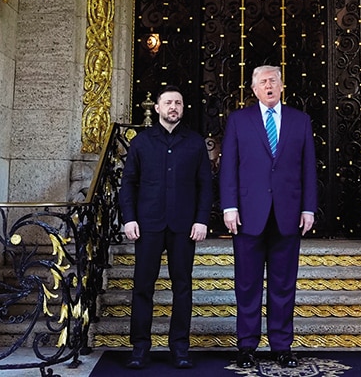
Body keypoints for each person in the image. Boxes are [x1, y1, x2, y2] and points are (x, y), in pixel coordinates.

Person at [220, 65, 318, 369]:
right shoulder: (239, 120)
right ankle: (247, 346)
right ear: (254, 89)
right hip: (248, 215)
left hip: (288, 215)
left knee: (283, 285)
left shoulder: (300, 121)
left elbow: (308, 168)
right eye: (263, 82)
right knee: (247, 285)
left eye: (273, 81)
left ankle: (281, 346)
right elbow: (229, 168)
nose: (269, 86)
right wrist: (229, 206)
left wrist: (308, 208)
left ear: (282, 85)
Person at [118, 86, 214, 370]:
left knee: (182, 287)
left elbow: (204, 186)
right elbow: (128, 183)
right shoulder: (141, 142)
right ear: (157, 108)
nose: (174, 107)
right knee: (142, 287)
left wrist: (202, 219)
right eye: (168, 102)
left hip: (184, 226)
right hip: (147, 224)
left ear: (183, 109)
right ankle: (140, 348)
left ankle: (180, 348)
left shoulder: (195, 143)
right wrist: (129, 218)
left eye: (178, 103)